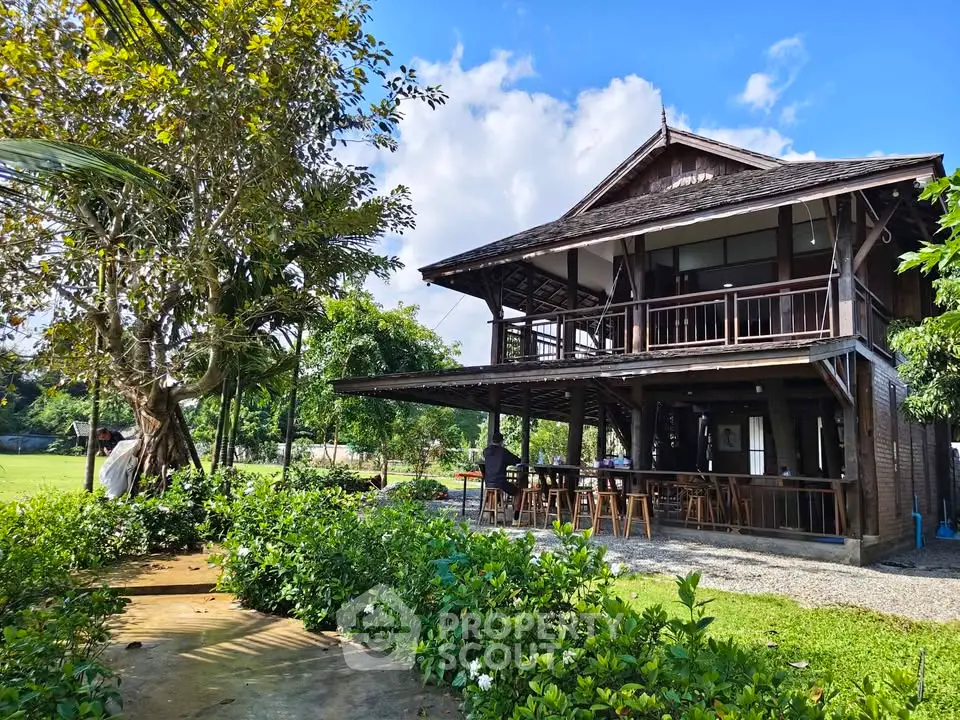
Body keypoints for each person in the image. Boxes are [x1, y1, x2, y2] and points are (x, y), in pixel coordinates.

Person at [482, 431, 522, 519]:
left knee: (493, 493)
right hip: (500, 482)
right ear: (501, 441)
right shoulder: (503, 452)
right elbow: (517, 460)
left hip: (488, 482)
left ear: (492, 440)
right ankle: (516, 517)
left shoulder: (486, 451)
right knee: (518, 492)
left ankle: (491, 517)